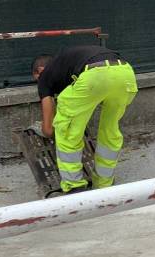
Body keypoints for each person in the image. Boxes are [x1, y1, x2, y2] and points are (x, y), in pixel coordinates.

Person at [32, 45, 138, 194]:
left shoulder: (45, 75)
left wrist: (46, 129)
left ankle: (74, 186)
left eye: (36, 79)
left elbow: (49, 125)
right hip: (126, 73)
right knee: (110, 130)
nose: (39, 84)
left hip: (95, 75)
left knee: (68, 131)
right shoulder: (69, 63)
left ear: (40, 70)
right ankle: (104, 184)